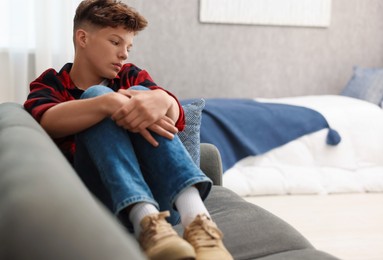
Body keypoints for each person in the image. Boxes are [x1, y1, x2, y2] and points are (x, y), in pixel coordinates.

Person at [24, 0, 233, 259]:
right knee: (98, 95)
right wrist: (106, 103)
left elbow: (175, 119)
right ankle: (144, 219)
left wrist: (164, 101)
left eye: (128, 47)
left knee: (145, 95)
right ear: (83, 38)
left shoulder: (130, 76)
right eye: (115, 42)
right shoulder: (51, 83)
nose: (124, 54)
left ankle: (199, 222)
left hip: (163, 203)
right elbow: (46, 121)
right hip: (100, 201)